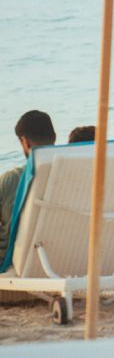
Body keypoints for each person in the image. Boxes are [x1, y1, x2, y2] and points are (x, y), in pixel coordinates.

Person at [1, 110, 56, 259]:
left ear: (25, 141)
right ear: (54, 137)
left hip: (18, 263)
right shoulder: (76, 175)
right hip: (68, 259)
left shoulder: (11, 180)